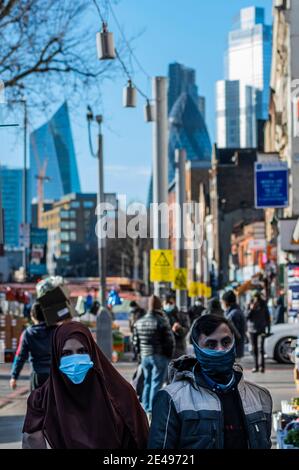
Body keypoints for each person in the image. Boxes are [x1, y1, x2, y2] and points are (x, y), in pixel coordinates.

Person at [148, 315, 272, 449]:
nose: (220, 350)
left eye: (226, 342)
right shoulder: (171, 398)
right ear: (197, 349)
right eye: (211, 344)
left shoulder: (260, 396)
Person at [22, 321, 149, 449]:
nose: (76, 360)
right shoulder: (41, 400)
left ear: (92, 353)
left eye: (82, 351)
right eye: (67, 353)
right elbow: (32, 441)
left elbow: (140, 437)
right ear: (57, 356)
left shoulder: (120, 392)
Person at [133, 295, 175, 421]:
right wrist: (168, 355)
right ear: (159, 306)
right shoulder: (161, 321)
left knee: (147, 382)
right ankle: (151, 411)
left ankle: (145, 409)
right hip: (159, 355)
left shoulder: (139, 322)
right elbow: (169, 341)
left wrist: (139, 355)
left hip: (145, 356)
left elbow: (135, 341)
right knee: (156, 383)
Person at [10, 303, 56, 391]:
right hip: (54, 375)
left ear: (32, 316)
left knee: (36, 403)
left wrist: (14, 376)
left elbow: (20, 356)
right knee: (53, 403)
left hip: (37, 376)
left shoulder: (27, 333)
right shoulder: (55, 331)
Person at [246, 292, 271, 373]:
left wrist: (268, 329)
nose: (256, 299)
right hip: (252, 329)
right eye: (255, 297)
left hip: (261, 329)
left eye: (258, 297)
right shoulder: (250, 304)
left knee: (261, 348)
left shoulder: (264, 304)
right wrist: (251, 309)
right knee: (254, 348)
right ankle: (255, 366)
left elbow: (267, 317)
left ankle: (262, 367)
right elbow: (246, 316)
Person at [163, 294, 190, 359]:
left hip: (178, 349)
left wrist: (179, 329)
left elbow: (186, 330)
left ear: (174, 303)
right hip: (163, 351)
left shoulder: (181, 315)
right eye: (167, 303)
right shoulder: (160, 316)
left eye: (171, 303)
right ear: (163, 303)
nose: (168, 305)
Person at [222, 290, 246, 359]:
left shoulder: (233, 314)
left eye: (223, 302)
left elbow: (234, 334)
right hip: (235, 350)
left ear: (226, 302)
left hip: (233, 350)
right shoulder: (236, 311)